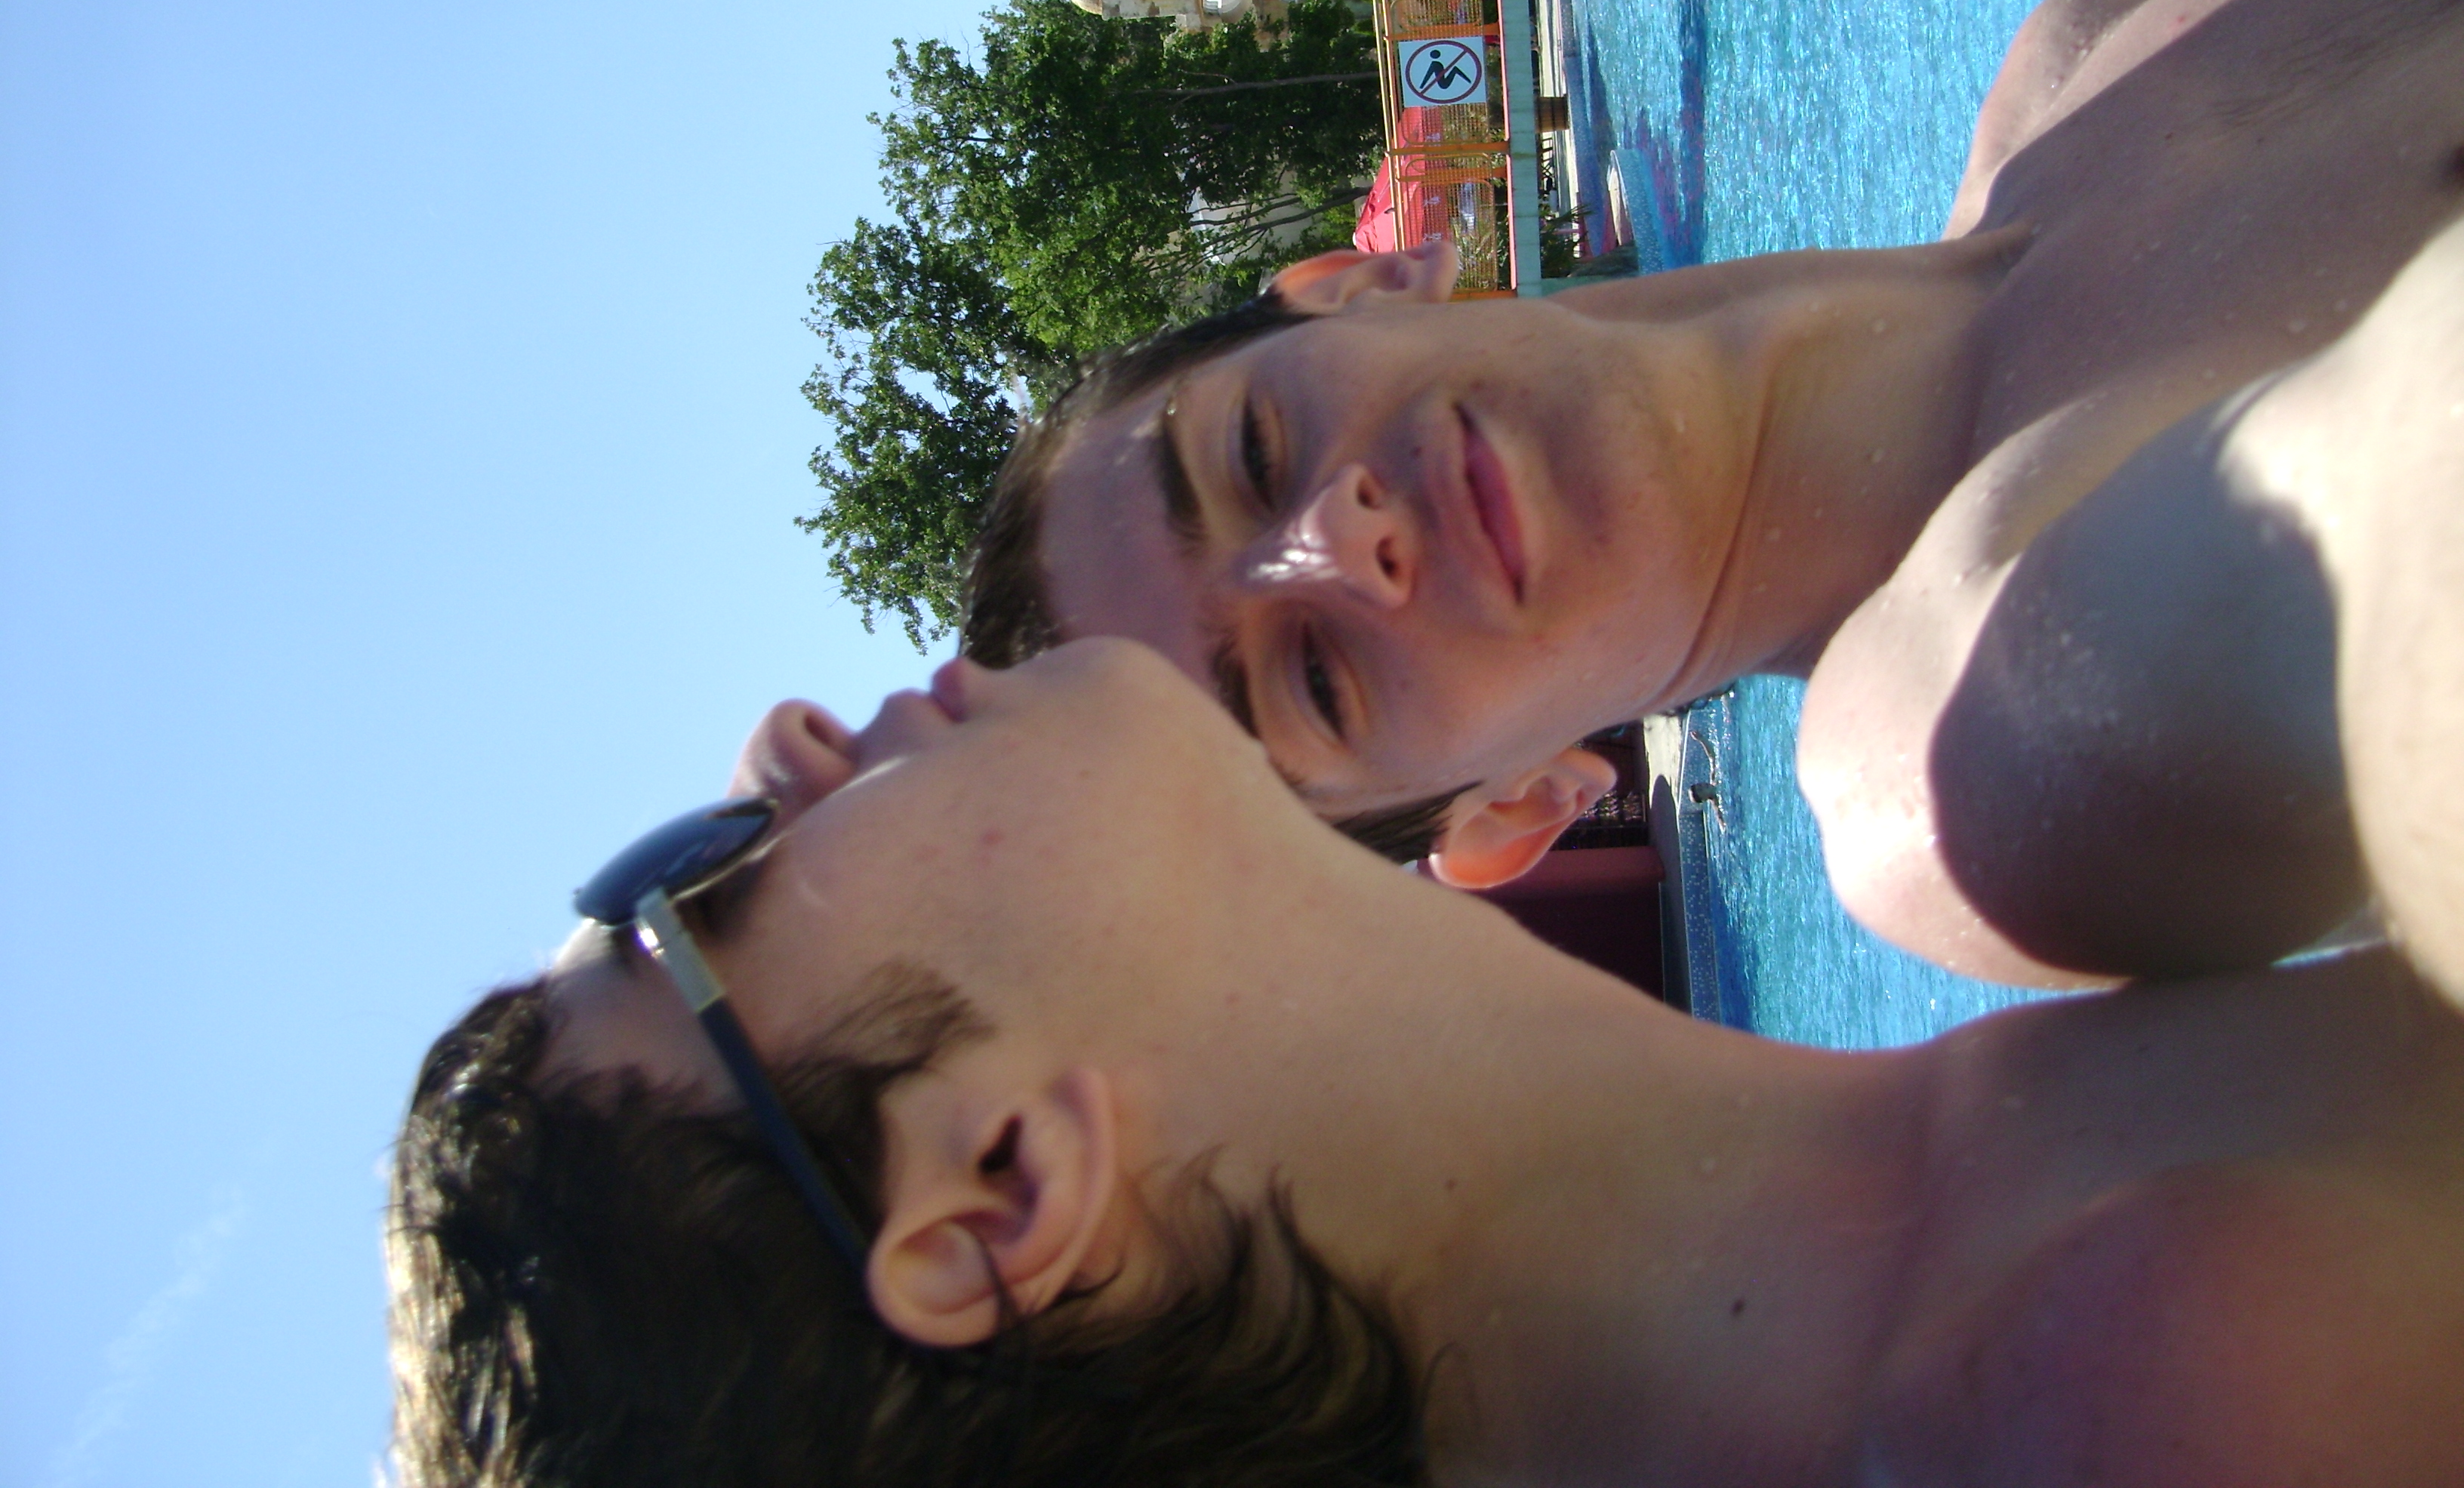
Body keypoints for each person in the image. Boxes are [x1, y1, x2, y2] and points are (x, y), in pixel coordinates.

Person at [390, 640, 2464, 1486]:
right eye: (697, 885)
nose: (772, 750)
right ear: (1001, 1187)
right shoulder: (2155, 1374)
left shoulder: (1995, 1220)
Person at [962, 0, 2464, 994]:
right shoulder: (1959, 747)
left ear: (1359, 285)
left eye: (1253, 454)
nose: (1339, 544)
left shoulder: (2092, 45)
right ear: (1508, 813)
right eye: (1313, 685)